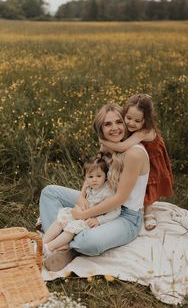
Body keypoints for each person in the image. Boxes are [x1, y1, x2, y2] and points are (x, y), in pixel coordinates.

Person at [39, 103, 150, 271]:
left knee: (87, 242)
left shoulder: (134, 154)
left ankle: (66, 242)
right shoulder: (107, 145)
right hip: (98, 198)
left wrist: (83, 214)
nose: (114, 128)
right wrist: (82, 196)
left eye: (118, 122)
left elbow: (119, 199)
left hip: (125, 215)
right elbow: (94, 172)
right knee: (49, 193)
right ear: (101, 129)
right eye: (107, 124)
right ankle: (63, 244)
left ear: (125, 124)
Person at [100, 94, 173, 231]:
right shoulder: (129, 126)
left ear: (145, 120)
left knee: (150, 183)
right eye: (128, 118)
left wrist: (103, 140)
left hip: (153, 157)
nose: (131, 123)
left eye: (137, 121)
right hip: (138, 153)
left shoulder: (144, 132)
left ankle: (148, 211)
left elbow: (122, 147)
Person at [42, 155, 122, 261]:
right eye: (90, 177)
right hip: (82, 213)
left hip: (90, 219)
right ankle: (42, 243)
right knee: (60, 220)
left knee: (70, 229)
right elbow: (83, 198)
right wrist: (80, 202)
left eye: (98, 176)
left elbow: (116, 211)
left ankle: (49, 247)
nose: (94, 180)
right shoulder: (90, 186)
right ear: (85, 177)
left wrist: (99, 220)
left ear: (105, 176)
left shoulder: (107, 192)